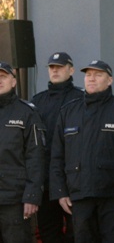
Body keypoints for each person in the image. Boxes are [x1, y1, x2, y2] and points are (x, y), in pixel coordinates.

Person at [50, 60, 114, 243]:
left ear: (110, 80)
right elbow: (57, 156)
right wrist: (60, 191)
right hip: (79, 193)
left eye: (98, 75)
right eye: (88, 75)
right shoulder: (69, 111)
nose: (91, 79)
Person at [31, 52, 83, 243]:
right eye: (52, 67)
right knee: (48, 231)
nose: (55, 70)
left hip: (73, 178)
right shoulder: (37, 101)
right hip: (46, 180)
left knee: (76, 232)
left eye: (59, 67)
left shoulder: (81, 98)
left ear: (71, 70)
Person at [0, 61, 46, 243]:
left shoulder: (26, 113)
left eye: (3, 77)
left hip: (15, 201)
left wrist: (32, 196)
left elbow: (36, 156)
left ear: (13, 81)